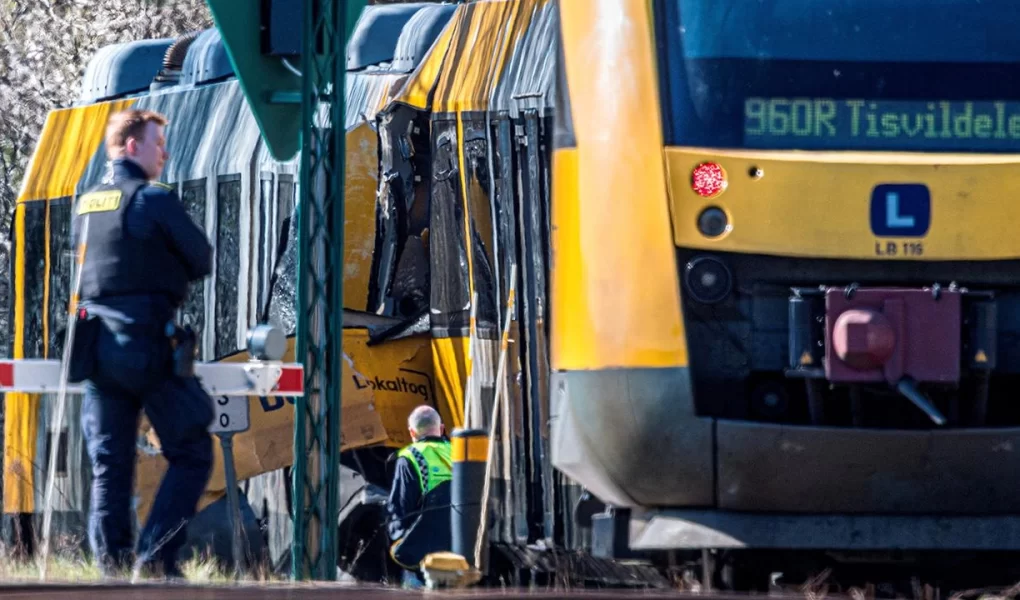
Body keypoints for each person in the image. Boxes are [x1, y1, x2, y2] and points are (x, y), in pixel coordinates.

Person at [72, 109, 214, 580]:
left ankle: (110, 570)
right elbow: (201, 257)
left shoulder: (88, 204)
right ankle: (156, 557)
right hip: (145, 343)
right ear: (133, 146)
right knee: (192, 449)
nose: (165, 153)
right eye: (158, 143)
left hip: (94, 350)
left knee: (110, 463)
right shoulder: (152, 200)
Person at [386, 405, 453, 588]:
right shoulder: (460, 453)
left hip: (426, 560)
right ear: (441, 429)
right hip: (463, 554)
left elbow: (400, 511)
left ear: (412, 433)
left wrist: (398, 543)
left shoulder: (410, 457)